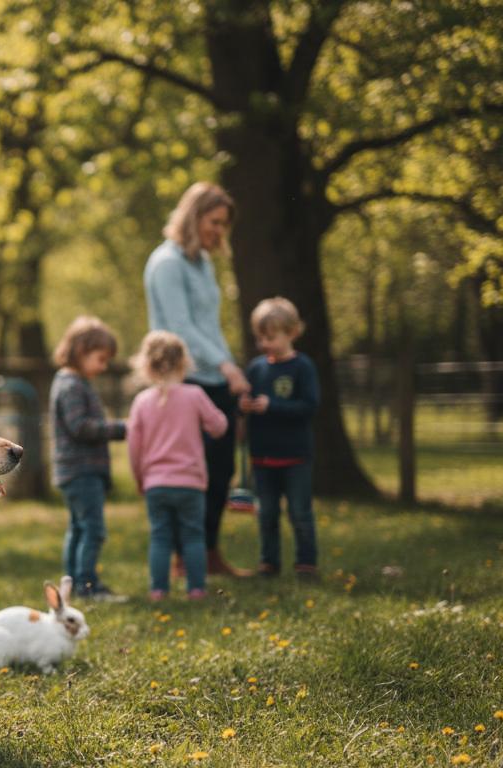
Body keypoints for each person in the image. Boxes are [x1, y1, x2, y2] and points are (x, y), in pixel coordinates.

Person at [142, 181, 251, 577]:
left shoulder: (202, 262)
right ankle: (180, 558)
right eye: (214, 221)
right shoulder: (167, 262)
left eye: (224, 225)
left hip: (214, 375)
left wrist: (228, 365)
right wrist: (226, 366)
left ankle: (206, 552)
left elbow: (209, 324)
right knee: (188, 472)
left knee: (220, 471)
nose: (219, 231)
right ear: (194, 215)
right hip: (184, 381)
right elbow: (181, 327)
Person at [127, 331, 229, 601]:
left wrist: (139, 478)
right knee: (194, 536)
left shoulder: (142, 401)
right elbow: (219, 426)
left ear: (147, 365)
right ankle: (196, 590)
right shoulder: (194, 395)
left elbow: (134, 448)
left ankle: (159, 591)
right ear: (184, 363)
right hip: (190, 483)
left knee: (160, 537)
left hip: (156, 483)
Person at [239, 297, 320, 578]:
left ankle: (306, 563)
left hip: (295, 455)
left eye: (271, 337)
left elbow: (309, 406)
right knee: (266, 514)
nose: (265, 344)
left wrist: (272, 406)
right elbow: (246, 398)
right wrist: (245, 406)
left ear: (292, 333)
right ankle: (268, 562)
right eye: (260, 338)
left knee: (300, 512)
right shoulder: (256, 368)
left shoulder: (302, 367)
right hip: (262, 456)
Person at [49, 316, 128, 602]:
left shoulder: (72, 381)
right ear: (81, 351)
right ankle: (87, 585)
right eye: (100, 359)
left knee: (78, 527)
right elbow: (80, 427)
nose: (104, 366)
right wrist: (122, 428)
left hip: (75, 471)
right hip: (80, 471)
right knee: (93, 529)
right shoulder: (71, 385)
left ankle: (72, 583)